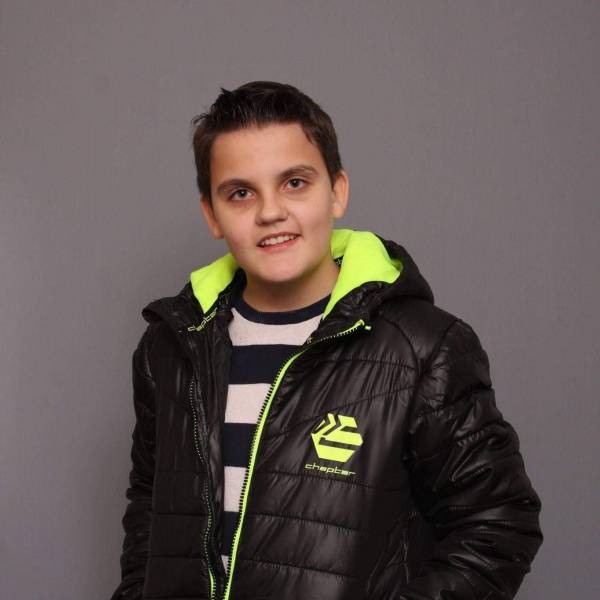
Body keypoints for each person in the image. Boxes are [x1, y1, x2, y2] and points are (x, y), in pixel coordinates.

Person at [111, 81, 543, 600]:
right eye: (241, 193)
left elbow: (499, 526)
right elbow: (149, 509)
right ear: (211, 214)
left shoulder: (423, 348)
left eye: (294, 183)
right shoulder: (171, 347)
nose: (270, 212)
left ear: (337, 191)